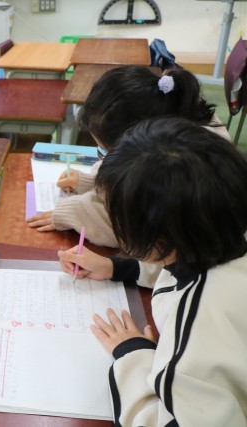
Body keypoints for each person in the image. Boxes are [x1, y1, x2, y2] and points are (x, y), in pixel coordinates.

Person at [58, 118, 247, 426]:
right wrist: (118, 266)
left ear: (156, 237)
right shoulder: (220, 232)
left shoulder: (199, 325)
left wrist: (133, 355)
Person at [26, 65, 230, 247]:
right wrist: (92, 180)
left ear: (138, 142)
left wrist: (75, 213)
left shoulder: (180, 164)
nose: (105, 159)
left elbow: (129, 227)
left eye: (106, 151)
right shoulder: (170, 111)